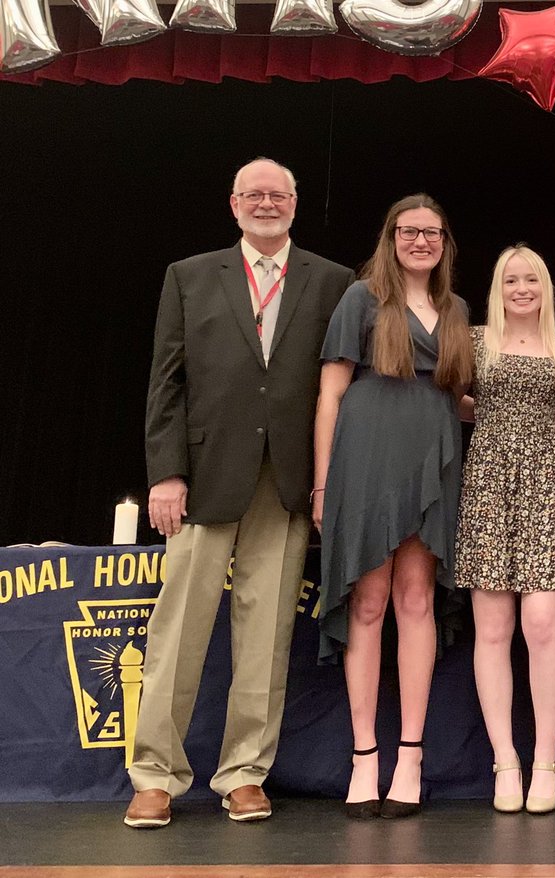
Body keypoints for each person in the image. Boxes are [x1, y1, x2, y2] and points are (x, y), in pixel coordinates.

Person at [127, 158, 355, 829]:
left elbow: (336, 390)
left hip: (282, 479)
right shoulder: (190, 276)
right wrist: (165, 474)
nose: (265, 203)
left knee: (266, 636)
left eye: (277, 193)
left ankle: (244, 774)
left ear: (295, 202)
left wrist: (324, 479)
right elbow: (164, 384)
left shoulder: (332, 281)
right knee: (178, 629)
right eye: (253, 194)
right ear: (233, 204)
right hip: (202, 479)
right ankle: (155, 776)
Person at [312, 194, 472, 819]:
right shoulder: (361, 299)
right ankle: (363, 757)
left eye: (432, 232)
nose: (420, 241)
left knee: (417, 601)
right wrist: (323, 485)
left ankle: (410, 756)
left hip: (434, 461)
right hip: (367, 460)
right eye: (409, 231)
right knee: (370, 602)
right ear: (391, 237)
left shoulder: (456, 308)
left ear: (444, 243)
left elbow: (456, 400)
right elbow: (329, 394)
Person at [455, 246, 555, 815]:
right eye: (512, 279)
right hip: (486, 485)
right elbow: (451, 399)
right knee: (492, 630)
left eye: (532, 277)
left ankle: (546, 761)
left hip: (547, 488)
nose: (522, 287)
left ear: (546, 286)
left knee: (541, 624)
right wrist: (485, 419)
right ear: (498, 286)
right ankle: (505, 760)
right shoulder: (475, 341)